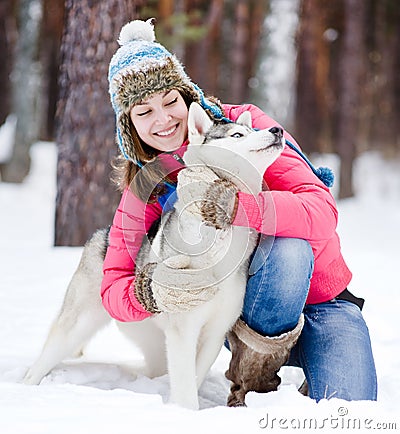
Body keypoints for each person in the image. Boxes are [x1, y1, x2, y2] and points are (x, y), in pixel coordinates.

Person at [102, 18, 377, 403]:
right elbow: (113, 283)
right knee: (284, 253)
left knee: (352, 410)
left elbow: (322, 210)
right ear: (128, 126)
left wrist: (235, 207)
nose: (163, 120)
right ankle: (255, 376)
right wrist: (147, 295)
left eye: (170, 101)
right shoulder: (149, 183)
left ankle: (308, 366)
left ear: (188, 97)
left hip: (324, 302)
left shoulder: (247, 130)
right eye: (143, 112)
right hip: (248, 317)